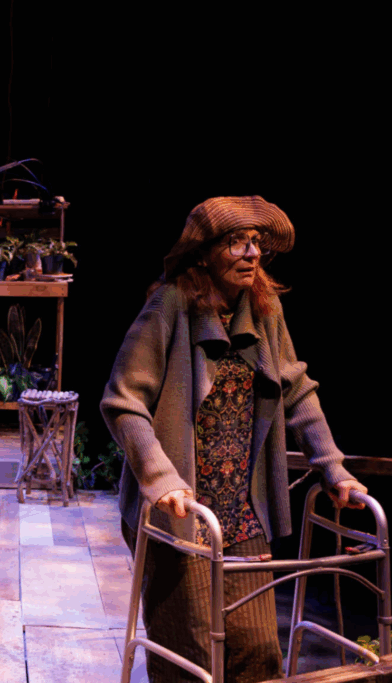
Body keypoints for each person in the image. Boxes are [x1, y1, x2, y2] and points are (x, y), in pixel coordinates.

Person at [100, 196, 367, 682]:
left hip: (244, 511)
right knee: (190, 653)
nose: (252, 253)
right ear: (203, 253)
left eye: (256, 243)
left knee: (257, 653)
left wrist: (333, 466)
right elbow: (123, 401)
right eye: (236, 243)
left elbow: (296, 389)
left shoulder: (264, 308)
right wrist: (161, 478)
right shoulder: (170, 303)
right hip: (182, 512)